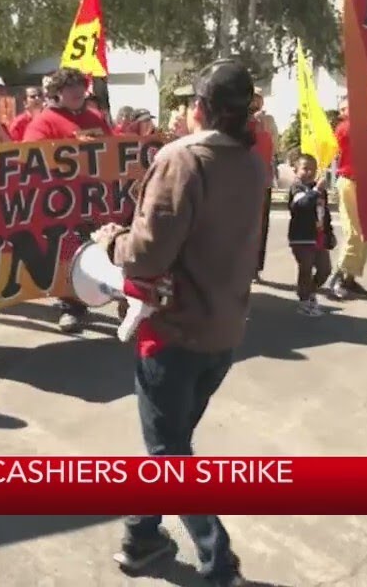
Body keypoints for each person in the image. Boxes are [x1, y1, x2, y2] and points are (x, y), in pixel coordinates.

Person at [91, 59, 263, 587]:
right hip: (224, 327)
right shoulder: (253, 163)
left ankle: (219, 567)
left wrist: (109, 241)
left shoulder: (183, 160)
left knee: (170, 456)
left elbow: (145, 256)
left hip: (173, 330)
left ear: (201, 108)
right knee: (173, 444)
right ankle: (142, 538)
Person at [23, 67, 113, 334]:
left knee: (98, 249)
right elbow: (31, 158)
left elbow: (114, 152)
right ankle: (69, 306)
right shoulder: (44, 121)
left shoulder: (95, 118)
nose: (76, 92)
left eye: (80, 87)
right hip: (61, 204)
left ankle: (103, 295)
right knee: (68, 255)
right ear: (57, 93)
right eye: (69, 88)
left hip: (94, 200)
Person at [329, 96, 367, 299]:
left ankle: (350, 277)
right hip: (349, 181)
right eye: (345, 108)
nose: (347, 111)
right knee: (354, 232)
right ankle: (338, 276)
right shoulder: (344, 128)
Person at [286, 151, 335, 316]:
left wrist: (329, 233)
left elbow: (325, 213)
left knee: (325, 270)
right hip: (301, 237)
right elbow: (301, 205)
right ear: (296, 170)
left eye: (312, 169)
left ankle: (310, 292)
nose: (309, 172)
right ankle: (304, 301)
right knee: (305, 268)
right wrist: (315, 191)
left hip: (318, 236)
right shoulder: (297, 187)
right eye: (305, 168)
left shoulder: (320, 190)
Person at [248, 92, 275, 281]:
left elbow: (275, 146)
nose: (256, 103)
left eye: (259, 99)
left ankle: (255, 267)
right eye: (253, 98)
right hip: (246, 182)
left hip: (263, 180)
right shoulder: (241, 123)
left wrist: (267, 127)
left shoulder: (267, 122)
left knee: (261, 226)